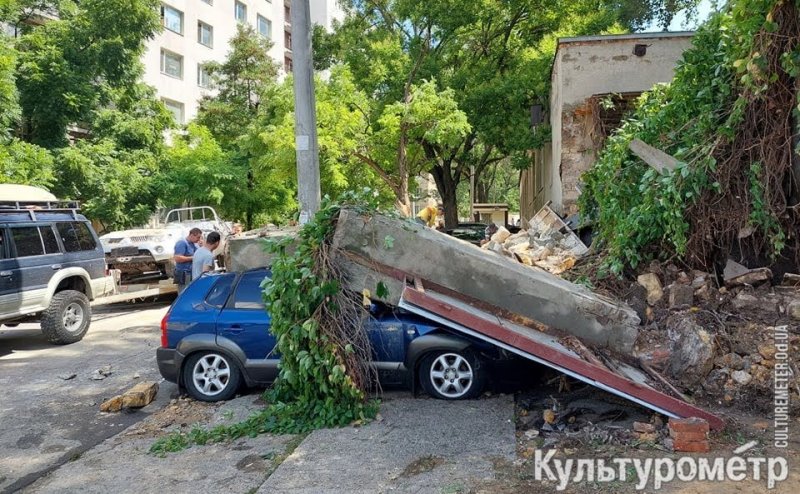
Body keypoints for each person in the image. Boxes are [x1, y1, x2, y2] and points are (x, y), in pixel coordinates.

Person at [173, 227, 202, 293]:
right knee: (184, 293)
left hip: (191, 272)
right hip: (184, 274)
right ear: (192, 235)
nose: (199, 239)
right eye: (198, 237)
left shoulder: (193, 244)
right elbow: (177, 258)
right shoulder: (182, 243)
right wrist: (193, 258)